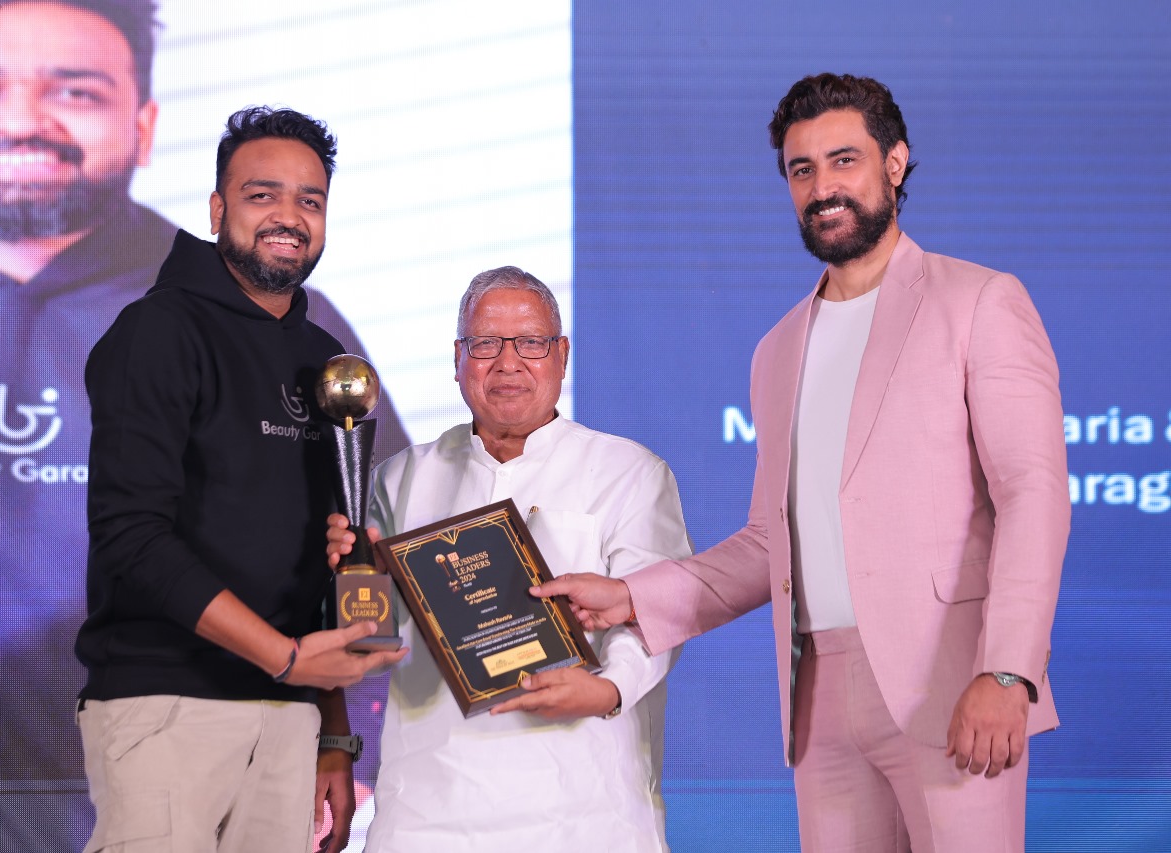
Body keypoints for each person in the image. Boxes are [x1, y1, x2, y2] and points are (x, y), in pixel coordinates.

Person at [535, 73, 1070, 853]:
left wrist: (1009, 670)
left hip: (955, 679)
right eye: (802, 169)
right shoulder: (778, 348)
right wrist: (628, 597)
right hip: (817, 696)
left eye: (844, 160)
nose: (823, 188)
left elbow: (1033, 494)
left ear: (895, 162)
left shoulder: (980, 301)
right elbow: (768, 543)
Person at [0, 0, 407, 803]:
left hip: (226, 749)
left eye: (75, 91)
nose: (21, 119)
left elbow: (372, 555)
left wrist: (346, 747)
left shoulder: (294, 332)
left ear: (143, 124)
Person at [76, 105, 407, 853]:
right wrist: (286, 657)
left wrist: (333, 733)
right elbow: (132, 538)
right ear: (218, 209)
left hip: (291, 717)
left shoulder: (326, 358)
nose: (289, 217)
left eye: (310, 200)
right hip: (167, 704)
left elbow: (330, 568)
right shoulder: (159, 331)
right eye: (263, 195)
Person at [326, 266, 692, 852]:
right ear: (457, 359)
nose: (508, 363)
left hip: (582, 810)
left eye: (530, 343)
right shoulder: (400, 476)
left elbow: (657, 610)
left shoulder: (628, 472)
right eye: (485, 344)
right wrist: (353, 585)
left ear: (562, 355)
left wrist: (610, 689)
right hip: (425, 811)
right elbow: (374, 643)